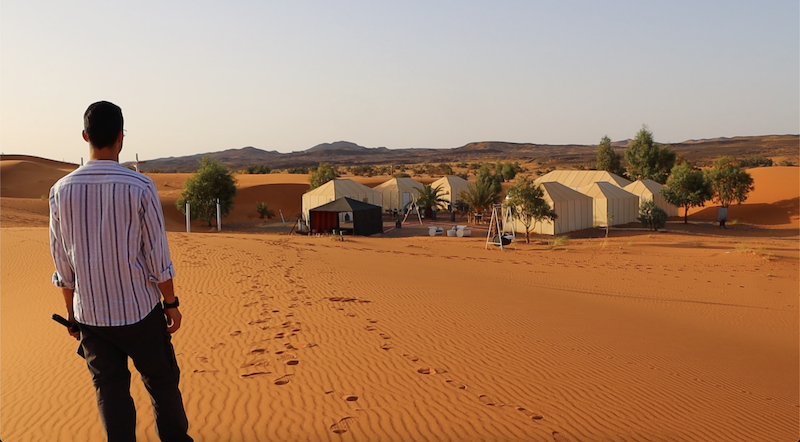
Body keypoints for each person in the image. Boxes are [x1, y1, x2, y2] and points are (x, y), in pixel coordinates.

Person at [49, 101, 193, 442]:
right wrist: (170, 303)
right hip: (140, 313)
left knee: (109, 391)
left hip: (92, 317)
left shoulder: (60, 191)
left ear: (85, 136)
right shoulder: (140, 186)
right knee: (162, 383)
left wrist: (72, 313)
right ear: (120, 138)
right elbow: (157, 256)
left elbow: (62, 262)